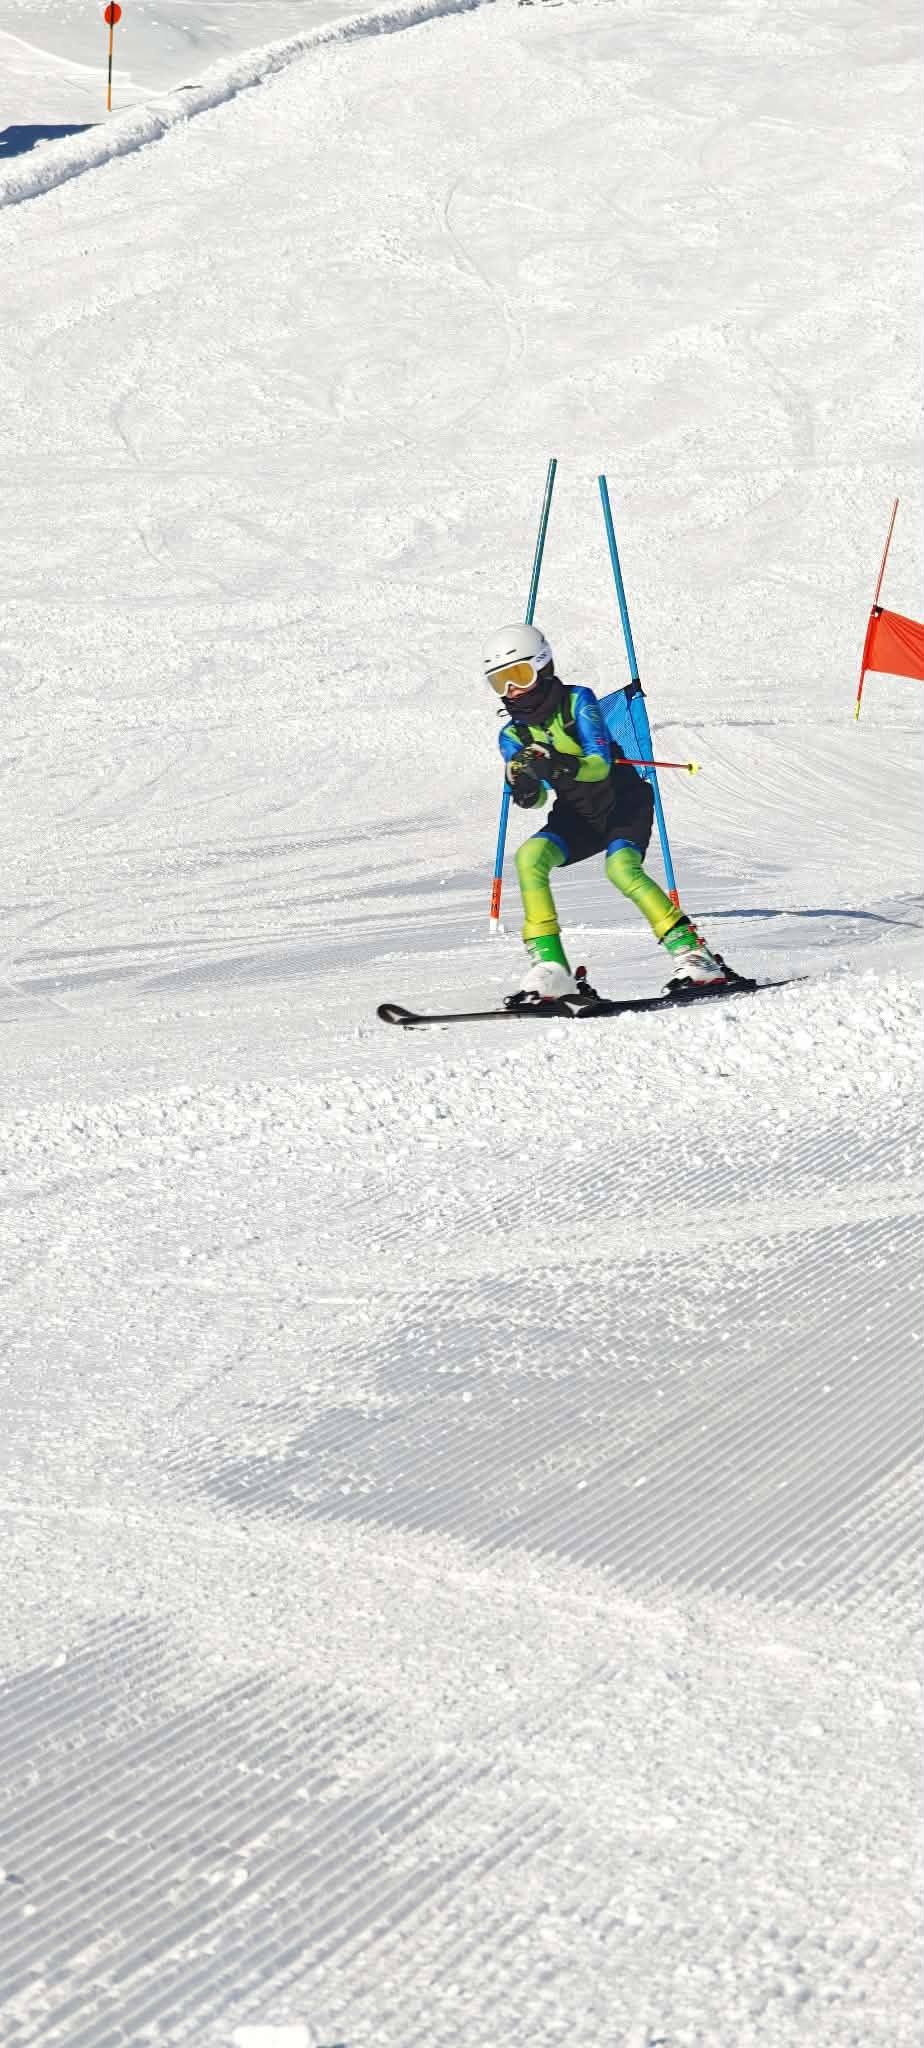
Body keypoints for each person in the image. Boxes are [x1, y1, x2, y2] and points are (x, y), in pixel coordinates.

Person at [483, 622, 735, 1003]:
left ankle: (695, 957)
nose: (511, 691)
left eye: (518, 676)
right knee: (529, 857)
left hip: (624, 802)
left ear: (543, 666)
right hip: (576, 815)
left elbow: (599, 765)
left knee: (621, 869)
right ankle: (553, 970)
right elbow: (535, 800)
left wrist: (558, 764)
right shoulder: (512, 736)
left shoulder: (577, 702)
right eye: (499, 682)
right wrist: (526, 788)